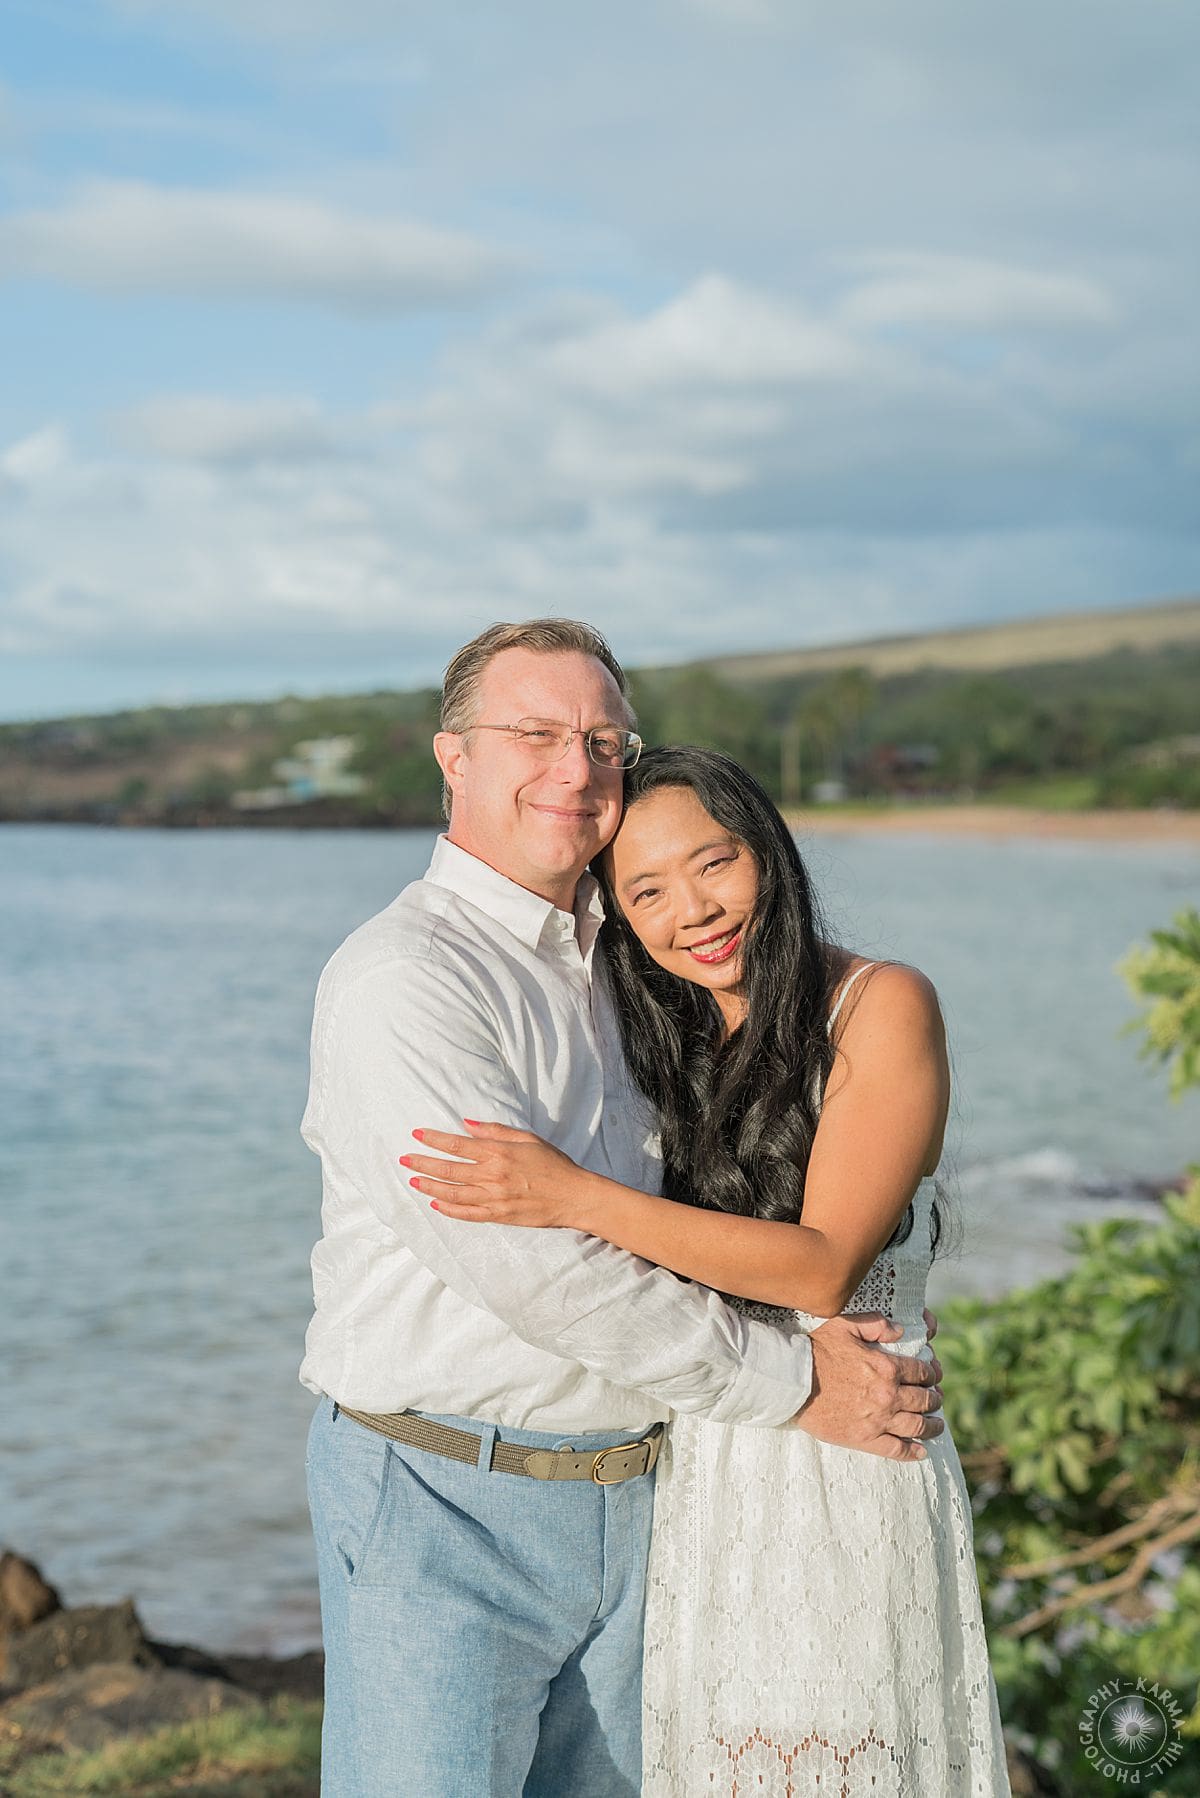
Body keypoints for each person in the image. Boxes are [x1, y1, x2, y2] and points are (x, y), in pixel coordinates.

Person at [301, 621, 945, 1798]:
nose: (578, 767)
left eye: (603, 739)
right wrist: (791, 1381)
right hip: (449, 1497)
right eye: (535, 734)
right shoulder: (406, 980)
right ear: (453, 758)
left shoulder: (637, 968)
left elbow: (729, 1209)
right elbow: (531, 1266)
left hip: (661, 1494)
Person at [405, 745, 1010, 1796]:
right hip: (708, 1467)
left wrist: (572, 1194)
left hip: (848, 1457)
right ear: (621, 918)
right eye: (647, 890)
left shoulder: (878, 1005)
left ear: (767, 853)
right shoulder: (667, 1036)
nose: (694, 909)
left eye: (714, 862)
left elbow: (822, 1268)